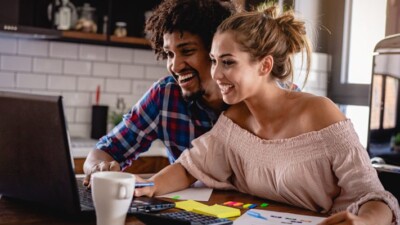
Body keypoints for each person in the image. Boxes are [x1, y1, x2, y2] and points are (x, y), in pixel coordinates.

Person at [134, 6, 400, 225]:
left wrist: (363, 222)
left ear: (265, 65)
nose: (215, 74)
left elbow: (376, 198)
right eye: (214, 60)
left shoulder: (319, 114)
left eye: (228, 62)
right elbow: (189, 168)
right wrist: (151, 186)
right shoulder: (235, 120)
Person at [82, 0, 236, 186]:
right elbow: (106, 149)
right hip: (185, 212)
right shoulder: (166, 95)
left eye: (187, 51)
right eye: (169, 54)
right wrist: (97, 168)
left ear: (216, 50)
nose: (175, 66)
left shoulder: (247, 99)